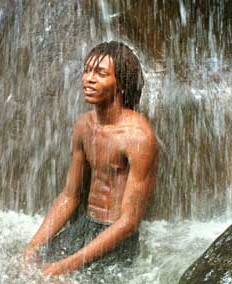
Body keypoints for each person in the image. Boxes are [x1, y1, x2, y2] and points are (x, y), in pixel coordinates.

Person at [25, 41, 158, 276]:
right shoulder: (84, 126)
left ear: (121, 84)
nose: (89, 78)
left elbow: (129, 222)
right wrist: (33, 247)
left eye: (100, 73)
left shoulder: (138, 136)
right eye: (87, 70)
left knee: (58, 279)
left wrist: (66, 265)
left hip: (117, 240)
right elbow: (70, 195)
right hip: (84, 226)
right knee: (25, 269)